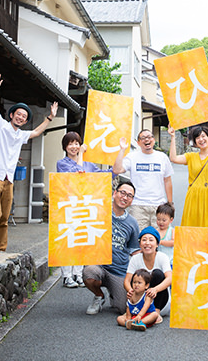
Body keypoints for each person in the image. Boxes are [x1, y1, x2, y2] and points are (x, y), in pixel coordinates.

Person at [0, 73, 58, 252]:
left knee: (4, 216)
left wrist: (50, 118)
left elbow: (36, 132)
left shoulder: (21, 135)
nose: (20, 117)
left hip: (8, 179)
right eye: (18, 114)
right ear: (12, 115)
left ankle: (0, 249)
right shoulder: (0, 125)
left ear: (25, 121)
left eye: (24, 116)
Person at [56, 131, 113, 288]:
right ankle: (67, 276)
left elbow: (104, 175)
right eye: (71, 144)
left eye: (77, 143)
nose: (74, 147)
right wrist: (81, 154)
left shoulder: (90, 165)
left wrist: (117, 161)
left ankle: (79, 274)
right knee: (68, 240)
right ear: (65, 147)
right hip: (68, 205)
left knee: (81, 240)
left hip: (85, 205)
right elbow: (77, 175)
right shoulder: (62, 163)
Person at [82, 181, 140, 315]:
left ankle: (114, 294)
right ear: (115, 193)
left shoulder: (132, 223)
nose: (125, 197)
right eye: (122, 193)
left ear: (131, 201)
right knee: (89, 273)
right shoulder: (98, 213)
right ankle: (99, 296)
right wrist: (81, 178)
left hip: (119, 270)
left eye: (129, 196)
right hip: (99, 265)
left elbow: (134, 250)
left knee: (121, 308)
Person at [113, 129, 174, 230]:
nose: (147, 140)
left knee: (160, 239)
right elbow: (117, 169)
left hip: (159, 206)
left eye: (149, 137)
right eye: (143, 138)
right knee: (138, 238)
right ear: (138, 143)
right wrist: (122, 150)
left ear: (153, 140)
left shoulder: (162, 157)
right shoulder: (132, 157)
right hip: (137, 206)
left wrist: (170, 204)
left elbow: (167, 181)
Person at [124, 226, 172, 314]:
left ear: (157, 244)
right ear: (140, 244)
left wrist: (155, 289)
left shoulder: (162, 257)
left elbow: (169, 278)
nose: (147, 243)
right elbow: (127, 280)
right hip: (140, 300)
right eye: (144, 240)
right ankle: (137, 312)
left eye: (151, 240)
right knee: (136, 276)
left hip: (160, 303)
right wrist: (130, 290)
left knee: (157, 274)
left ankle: (155, 313)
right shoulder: (135, 258)